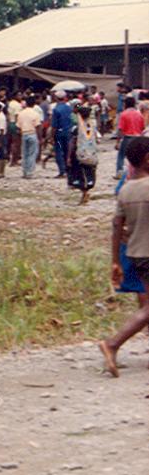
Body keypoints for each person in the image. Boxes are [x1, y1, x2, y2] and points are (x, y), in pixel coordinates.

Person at [102, 136, 149, 377]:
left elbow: (116, 228)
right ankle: (112, 344)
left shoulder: (126, 189)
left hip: (136, 255)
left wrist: (115, 261)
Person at [68, 105, 97, 205]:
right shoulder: (92, 125)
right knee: (89, 174)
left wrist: (68, 156)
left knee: (79, 175)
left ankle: (84, 193)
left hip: (80, 154)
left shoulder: (76, 128)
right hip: (92, 154)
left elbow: (72, 142)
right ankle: (86, 192)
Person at [116, 96, 142, 179]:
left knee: (121, 155)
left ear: (125, 104)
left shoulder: (124, 114)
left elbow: (120, 129)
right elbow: (142, 127)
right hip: (137, 137)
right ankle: (136, 172)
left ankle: (119, 172)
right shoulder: (139, 114)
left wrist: (117, 141)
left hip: (128, 137)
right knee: (137, 156)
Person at [49, 90, 73, 178]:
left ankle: (62, 171)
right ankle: (68, 169)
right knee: (67, 151)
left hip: (59, 134)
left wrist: (51, 136)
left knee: (59, 151)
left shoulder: (56, 110)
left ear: (56, 98)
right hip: (68, 132)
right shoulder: (69, 108)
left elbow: (54, 125)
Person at [17, 97, 42, 179]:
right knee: (32, 154)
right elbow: (38, 126)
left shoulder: (21, 113)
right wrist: (40, 137)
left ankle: (24, 171)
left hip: (24, 134)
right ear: (34, 104)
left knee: (25, 154)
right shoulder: (35, 114)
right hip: (32, 133)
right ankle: (30, 172)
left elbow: (18, 126)